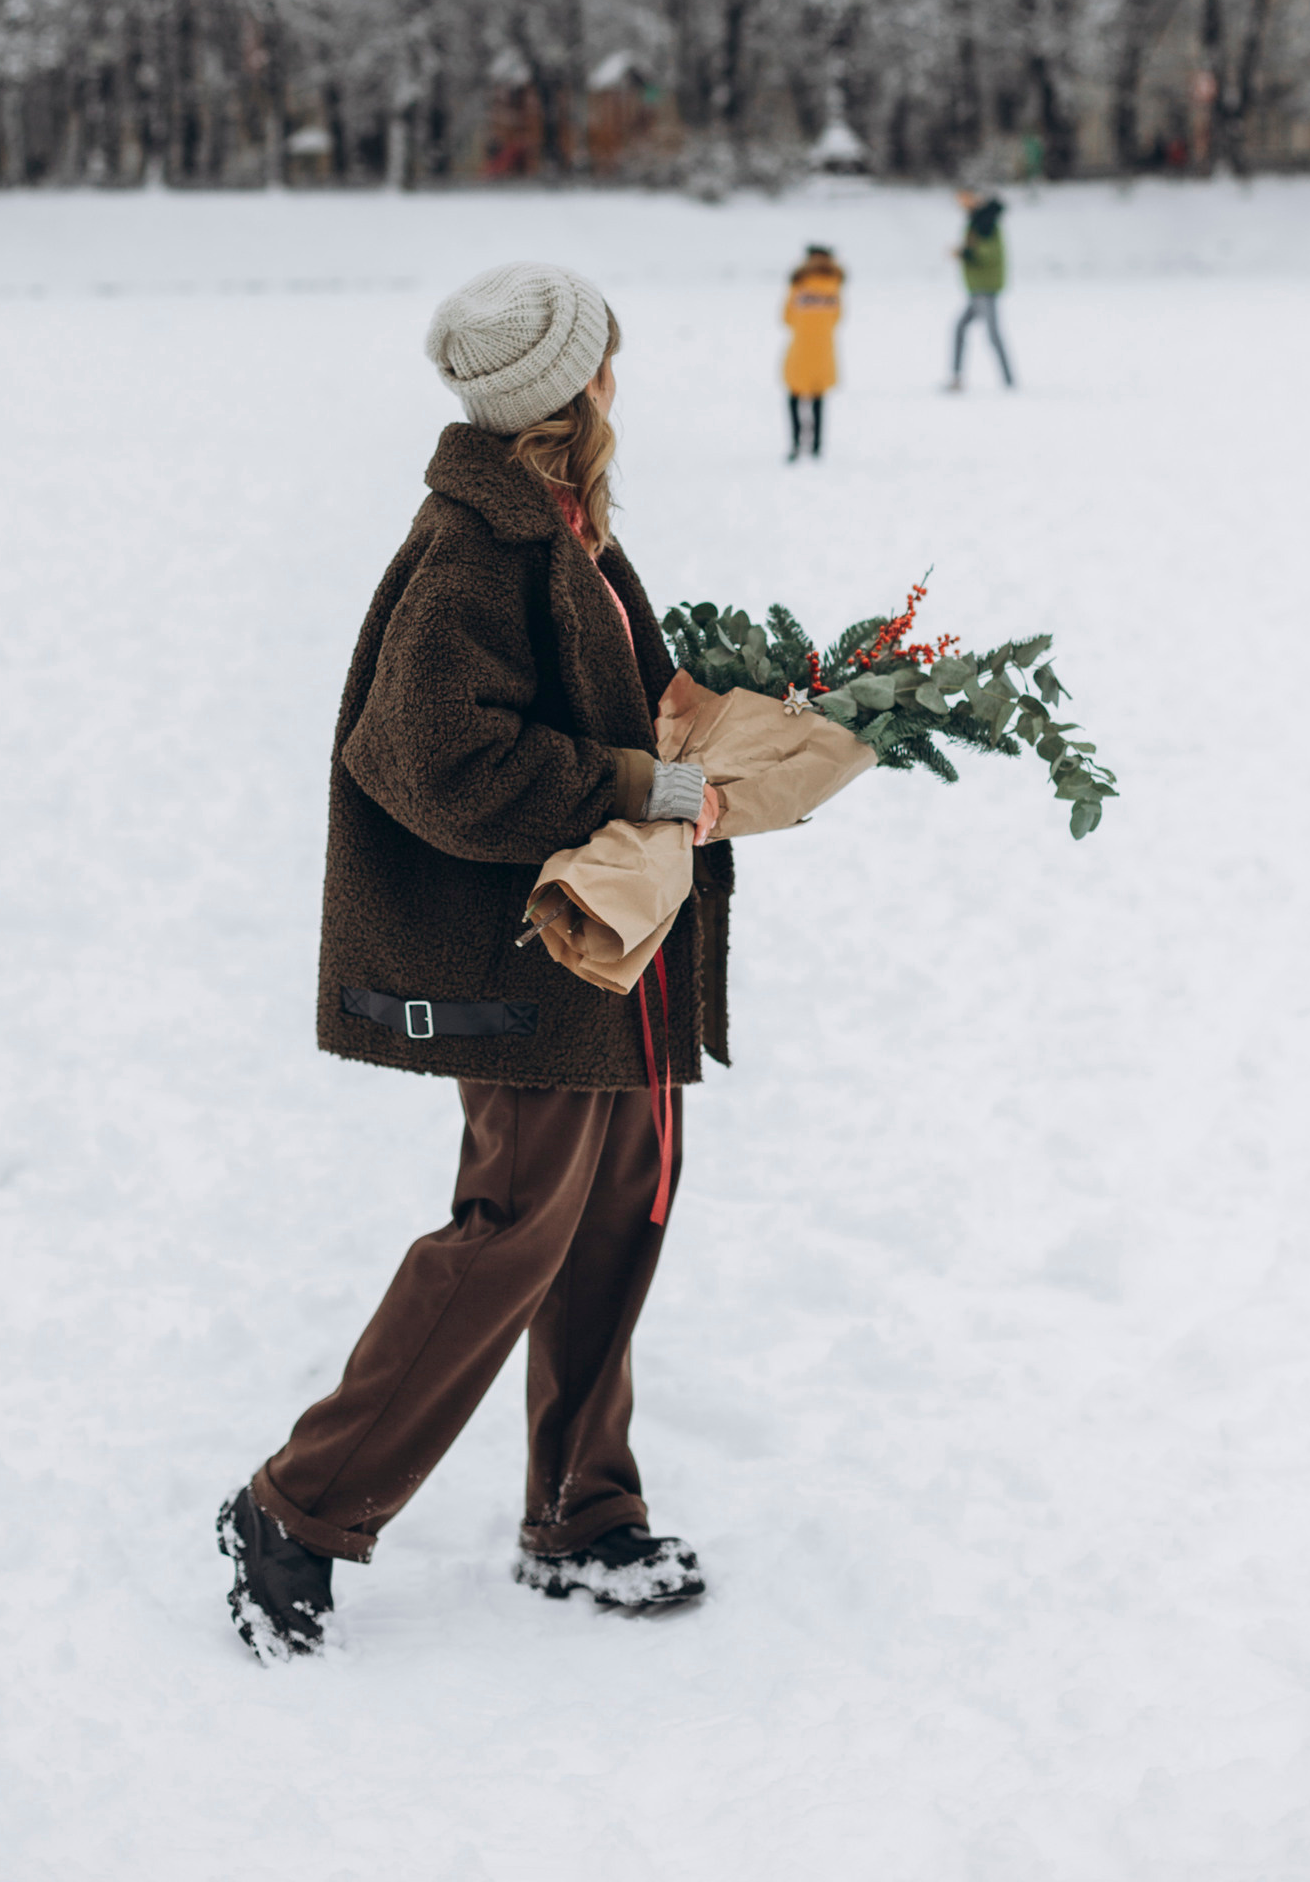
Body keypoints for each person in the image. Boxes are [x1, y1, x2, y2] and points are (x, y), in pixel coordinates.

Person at [218, 263, 732, 1656]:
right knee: (508, 1236)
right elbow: (425, 757)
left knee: (611, 1220)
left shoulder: (562, 527)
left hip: (605, 957)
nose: (618, 373)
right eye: (606, 355)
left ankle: (580, 1511)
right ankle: (299, 1503)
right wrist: (640, 785)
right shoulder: (477, 544)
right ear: (573, 387)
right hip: (521, 965)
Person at [946, 192, 1014, 391]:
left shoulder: (987, 223)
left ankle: (1009, 381)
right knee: (960, 328)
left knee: (993, 334)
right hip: (977, 289)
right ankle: (957, 377)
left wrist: (966, 252)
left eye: (965, 199)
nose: (962, 204)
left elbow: (990, 253)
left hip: (985, 288)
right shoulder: (976, 222)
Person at [782, 244, 845, 460]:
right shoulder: (834, 285)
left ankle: (796, 443)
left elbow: (786, 317)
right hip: (824, 350)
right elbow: (838, 317)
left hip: (799, 348)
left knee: (794, 398)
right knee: (819, 398)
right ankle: (817, 445)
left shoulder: (799, 285)